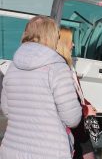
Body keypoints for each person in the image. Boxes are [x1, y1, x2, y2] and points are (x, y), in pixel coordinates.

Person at [0, 16, 82, 159]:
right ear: (51, 36)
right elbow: (72, 119)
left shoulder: (13, 67)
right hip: (51, 151)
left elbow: (7, 110)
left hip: (12, 149)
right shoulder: (57, 67)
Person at [56, 27, 96, 159]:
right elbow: (66, 103)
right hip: (71, 127)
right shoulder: (62, 69)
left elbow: (78, 96)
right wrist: (86, 110)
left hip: (78, 126)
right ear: (63, 43)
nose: (73, 44)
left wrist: (87, 105)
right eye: (71, 41)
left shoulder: (69, 67)